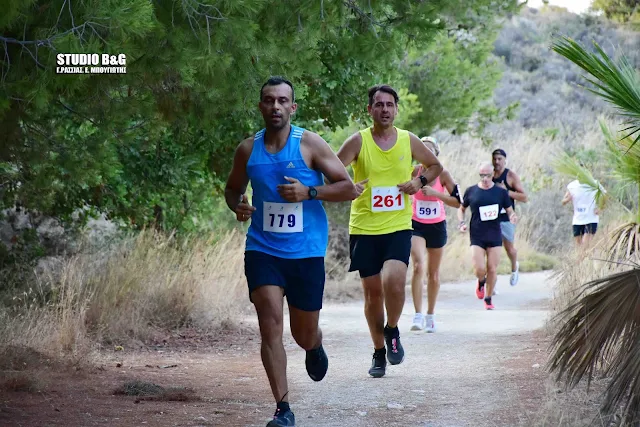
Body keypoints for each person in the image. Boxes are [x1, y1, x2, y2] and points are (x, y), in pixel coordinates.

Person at [224, 76, 358, 427]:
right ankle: (283, 410)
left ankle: (314, 345)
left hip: (305, 253)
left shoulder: (310, 144)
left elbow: (347, 188)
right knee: (269, 325)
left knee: (302, 333)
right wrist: (238, 204)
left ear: (292, 107)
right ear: (260, 106)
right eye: (269, 100)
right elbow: (233, 190)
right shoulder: (247, 150)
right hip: (263, 249)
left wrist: (309, 193)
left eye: (283, 101)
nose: (276, 107)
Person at [336, 84, 443, 378]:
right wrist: (348, 185)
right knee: (372, 295)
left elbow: (434, 165)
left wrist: (419, 184)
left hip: (397, 225)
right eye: (379, 104)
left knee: (394, 283)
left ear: (396, 109)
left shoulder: (408, 140)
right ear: (369, 110)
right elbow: (330, 166)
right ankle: (378, 352)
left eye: (389, 105)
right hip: (364, 227)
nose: (385, 109)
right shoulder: (358, 141)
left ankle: (392, 329)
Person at [409, 136, 462, 333]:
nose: (426, 154)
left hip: (437, 225)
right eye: (423, 149)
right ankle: (417, 314)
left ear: (436, 154)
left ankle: (430, 315)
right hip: (416, 224)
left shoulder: (444, 174)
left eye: (430, 150)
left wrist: (436, 194)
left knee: (433, 273)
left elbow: (457, 202)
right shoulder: (414, 172)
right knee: (417, 265)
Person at [457, 162, 518, 310]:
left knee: (492, 268)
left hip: (495, 234)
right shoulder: (471, 191)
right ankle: (481, 281)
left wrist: (512, 216)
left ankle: (488, 298)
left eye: (488, 175)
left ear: (493, 175)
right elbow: (461, 208)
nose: (485, 178)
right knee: (479, 268)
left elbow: (509, 210)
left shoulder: (500, 192)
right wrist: (461, 222)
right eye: (482, 175)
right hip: (477, 234)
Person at [491, 148, 528, 287]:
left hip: (506, 217)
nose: (497, 162)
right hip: (490, 217)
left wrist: (506, 192)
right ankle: (491, 283)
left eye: (500, 159)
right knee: (492, 249)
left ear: (505, 160)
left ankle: (514, 267)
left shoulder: (510, 176)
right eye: (494, 159)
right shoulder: (489, 174)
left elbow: (524, 197)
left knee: (509, 248)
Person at [561, 179, 600, 246]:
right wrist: (567, 199)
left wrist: (600, 208)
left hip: (591, 219)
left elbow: (605, 196)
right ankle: (586, 256)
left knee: (585, 245)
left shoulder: (594, 183)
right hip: (577, 220)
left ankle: (586, 256)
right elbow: (563, 201)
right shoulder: (572, 186)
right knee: (579, 246)